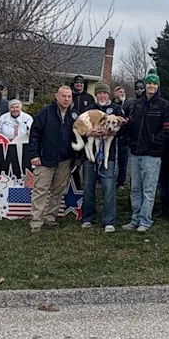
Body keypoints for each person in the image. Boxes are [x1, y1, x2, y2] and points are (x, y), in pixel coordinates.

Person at [123, 69, 169, 232]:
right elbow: (131, 125)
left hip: (152, 155)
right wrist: (126, 128)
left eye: (154, 83)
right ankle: (135, 219)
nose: (151, 86)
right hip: (136, 153)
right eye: (149, 83)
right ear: (145, 85)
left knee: (148, 190)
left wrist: (154, 142)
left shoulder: (164, 105)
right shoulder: (137, 104)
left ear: (158, 86)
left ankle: (145, 220)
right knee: (135, 189)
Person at [25, 87, 77, 232]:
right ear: (57, 96)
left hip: (65, 159)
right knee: (40, 190)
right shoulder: (45, 113)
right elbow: (34, 134)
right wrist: (34, 154)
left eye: (69, 96)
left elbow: (80, 133)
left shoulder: (73, 115)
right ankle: (36, 221)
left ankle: (50, 217)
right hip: (45, 158)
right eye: (64, 96)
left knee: (58, 190)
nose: (67, 99)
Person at [81, 82, 126, 232]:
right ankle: (88, 218)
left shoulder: (117, 109)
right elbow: (80, 126)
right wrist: (87, 133)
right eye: (99, 93)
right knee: (88, 186)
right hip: (90, 154)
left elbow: (124, 126)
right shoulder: (89, 109)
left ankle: (109, 221)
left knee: (109, 187)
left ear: (109, 94)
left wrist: (111, 131)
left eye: (105, 93)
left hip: (109, 155)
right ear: (96, 94)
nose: (102, 95)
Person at [114, 85, 131, 189]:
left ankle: (121, 182)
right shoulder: (111, 105)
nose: (122, 93)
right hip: (112, 136)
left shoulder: (128, 104)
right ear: (115, 93)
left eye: (123, 92)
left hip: (123, 137)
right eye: (119, 91)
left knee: (123, 162)